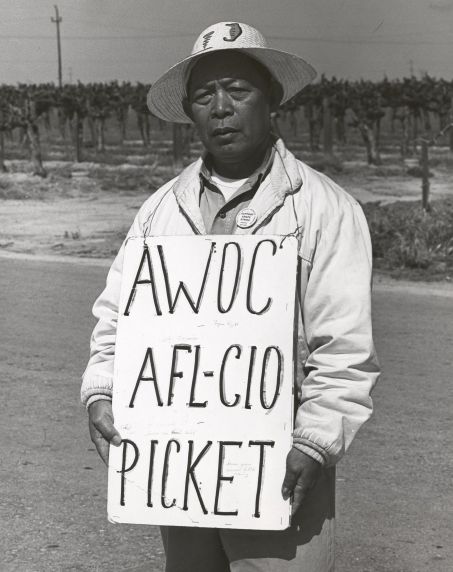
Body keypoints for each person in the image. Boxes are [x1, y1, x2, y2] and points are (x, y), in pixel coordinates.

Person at [81, 21, 380, 572]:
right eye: (204, 95)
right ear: (191, 112)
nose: (221, 107)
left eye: (238, 90)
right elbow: (117, 318)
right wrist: (102, 390)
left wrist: (315, 441)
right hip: (184, 469)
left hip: (280, 466)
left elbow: (344, 348)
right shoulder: (158, 212)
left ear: (271, 101)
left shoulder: (325, 210)